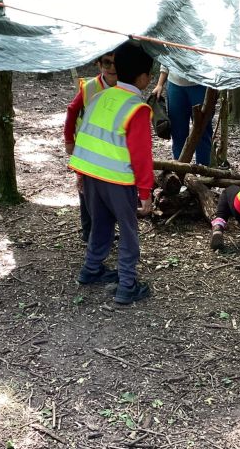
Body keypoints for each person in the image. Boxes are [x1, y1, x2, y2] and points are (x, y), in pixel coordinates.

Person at [69, 41, 155, 304]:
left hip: (91, 175)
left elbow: (84, 133)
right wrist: (145, 192)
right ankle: (127, 285)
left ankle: (91, 268)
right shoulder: (137, 108)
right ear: (143, 78)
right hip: (118, 180)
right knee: (128, 232)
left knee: (101, 224)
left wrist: (81, 174)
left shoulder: (99, 97)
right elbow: (141, 155)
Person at [64, 52, 118, 242]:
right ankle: (89, 231)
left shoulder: (124, 87)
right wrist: (69, 140)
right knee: (86, 189)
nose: (112, 67)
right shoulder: (90, 87)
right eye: (107, 63)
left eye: (116, 63)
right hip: (86, 147)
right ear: (99, 64)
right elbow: (72, 111)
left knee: (107, 188)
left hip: (110, 149)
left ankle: (106, 230)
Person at [151, 66, 213, 166]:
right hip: (175, 84)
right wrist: (160, 84)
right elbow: (167, 59)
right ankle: (179, 169)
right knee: (177, 130)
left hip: (200, 83)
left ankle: (204, 168)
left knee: (203, 130)